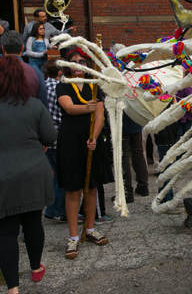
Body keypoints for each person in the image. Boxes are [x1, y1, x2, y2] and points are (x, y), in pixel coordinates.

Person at [0, 56, 57, 294]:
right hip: (35, 170)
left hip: (4, 175)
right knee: (33, 222)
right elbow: (51, 136)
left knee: (6, 231)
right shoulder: (34, 105)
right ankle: (35, 268)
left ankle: (13, 287)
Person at [56, 47, 112, 259]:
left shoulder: (94, 85)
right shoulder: (63, 85)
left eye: (82, 60)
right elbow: (69, 108)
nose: (78, 63)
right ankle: (72, 238)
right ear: (68, 65)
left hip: (90, 142)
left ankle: (90, 231)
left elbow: (99, 116)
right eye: (74, 60)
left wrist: (94, 138)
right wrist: (87, 108)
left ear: (87, 64)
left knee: (92, 187)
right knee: (73, 190)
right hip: (70, 140)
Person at [43, 57, 67, 222]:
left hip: (46, 138)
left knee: (56, 175)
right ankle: (54, 210)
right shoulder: (59, 88)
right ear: (59, 72)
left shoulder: (43, 86)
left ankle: (54, 208)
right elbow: (61, 115)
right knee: (61, 176)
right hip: (59, 137)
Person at [1, 31, 48, 108]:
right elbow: (43, 105)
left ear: (2, 49)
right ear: (22, 48)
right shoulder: (35, 72)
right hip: (30, 117)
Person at [122, 112, 149, 202]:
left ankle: (127, 190)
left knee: (123, 155)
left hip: (121, 119)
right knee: (138, 152)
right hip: (135, 118)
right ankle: (143, 185)